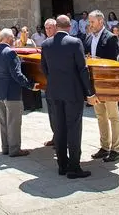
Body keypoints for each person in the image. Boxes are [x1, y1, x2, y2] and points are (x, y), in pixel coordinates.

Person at [42, 15, 99, 179]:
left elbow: (44, 68)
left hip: (54, 92)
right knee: (74, 128)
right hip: (72, 92)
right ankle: (74, 167)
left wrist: (54, 82)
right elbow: (82, 69)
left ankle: (62, 165)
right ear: (69, 27)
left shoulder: (46, 44)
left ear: (57, 26)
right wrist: (89, 92)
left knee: (59, 128)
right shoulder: (75, 43)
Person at [0, 28, 38, 157]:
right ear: (6, 38)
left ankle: (5, 147)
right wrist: (30, 85)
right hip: (11, 91)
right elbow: (17, 74)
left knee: (3, 121)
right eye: (12, 37)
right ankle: (14, 149)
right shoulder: (11, 53)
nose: (14, 39)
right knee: (14, 121)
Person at [84, 10, 119, 163]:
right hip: (94, 84)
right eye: (89, 22)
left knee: (113, 116)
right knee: (100, 116)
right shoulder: (88, 38)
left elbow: (112, 61)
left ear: (101, 21)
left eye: (92, 22)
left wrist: (97, 60)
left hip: (108, 83)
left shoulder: (111, 38)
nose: (90, 25)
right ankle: (104, 146)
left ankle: (116, 148)